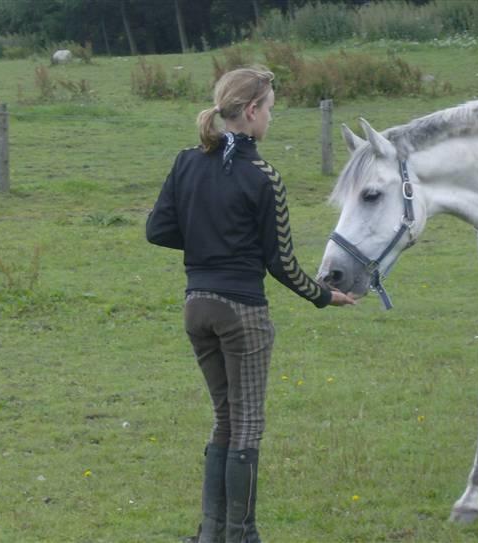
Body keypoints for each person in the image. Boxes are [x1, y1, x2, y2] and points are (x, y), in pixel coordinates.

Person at [146, 66, 355, 543]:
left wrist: (205, 244)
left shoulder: (185, 161)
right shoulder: (263, 177)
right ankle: (242, 536)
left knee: (225, 419)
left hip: (195, 306)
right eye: (271, 110)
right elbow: (280, 262)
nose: (271, 120)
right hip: (242, 313)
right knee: (248, 426)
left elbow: (157, 230)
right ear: (253, 111)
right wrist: (325, 296)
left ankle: (211, 534)